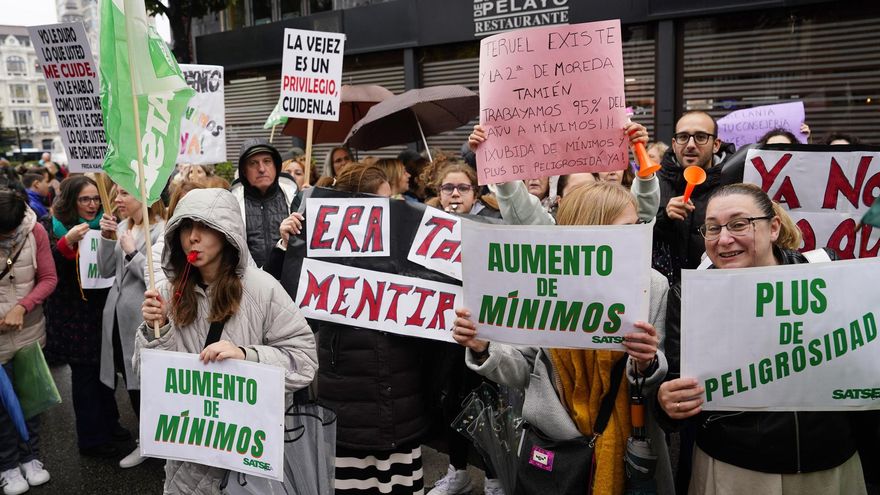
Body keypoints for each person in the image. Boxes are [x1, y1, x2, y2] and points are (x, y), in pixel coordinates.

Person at [452, 181, 673, 495]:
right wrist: (483, 347)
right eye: (625, 228)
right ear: (589, 231)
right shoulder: (544, 284)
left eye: (638, 226)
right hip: (555, 443)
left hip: (628, 444)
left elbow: (656, 380)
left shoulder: (653, 285)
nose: (637, 236)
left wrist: (646, 363)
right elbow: (521, 370)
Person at [657, 183, 866, 495]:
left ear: (773, 228)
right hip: (734, 468)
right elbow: (676, 382)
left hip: (829, 464)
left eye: (739, 224)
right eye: (712, 228)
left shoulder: (826, 275)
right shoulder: (688, 296)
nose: (724, 239)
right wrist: (667, 402)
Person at [137, 188, 317, 495]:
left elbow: (304, 361)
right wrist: (160, 329)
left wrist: (246, 357)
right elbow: (147, 377)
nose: (192, 237)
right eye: (185, 228)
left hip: (248, 462)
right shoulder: (166, 293)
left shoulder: (262, 289)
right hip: (187, 461)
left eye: (204, 227)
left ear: (228, 233)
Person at [41, 177, 129, 459]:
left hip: (100, 312)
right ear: (70, 201)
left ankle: (110, 424)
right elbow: (47, 271)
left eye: (95, 199)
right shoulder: (51, 229)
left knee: (105, 373)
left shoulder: (107, 225)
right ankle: (92, 439)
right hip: (70, 316)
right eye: (84, 199)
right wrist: (67, 243)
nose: (92, 205)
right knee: (85, 378)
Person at [97, 186, 166, 469]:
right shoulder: (123, 226)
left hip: (143, 321)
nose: (117, 199)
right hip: (115, 319)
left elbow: (157, 278)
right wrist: (106, 238)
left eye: (124, 193)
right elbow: (104, 270)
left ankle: (160, 444)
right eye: (116, 193)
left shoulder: (161, 230)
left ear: (144, 195)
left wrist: (132, 252)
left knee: (149, 385)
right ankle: (145, 441)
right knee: (131, 382)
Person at [0, 190, 57, 495]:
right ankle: (7, 466)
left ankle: (31, 457)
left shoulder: (35, 231)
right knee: (2, 407)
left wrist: (23, 306)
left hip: (29, 333)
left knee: (31, 401)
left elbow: (48, 278)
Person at [654, 111, 735, 285]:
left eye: (700, 137)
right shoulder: (655, 181)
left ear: (716, 145)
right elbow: (639, 236)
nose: (690, 144)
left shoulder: (735, 181)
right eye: (683, 137)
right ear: (674, 144)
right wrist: (665, 217)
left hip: (719, 286)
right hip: (668, 292)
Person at [229, 138, 298, 268]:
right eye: (253, 163)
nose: (261, 169)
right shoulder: (232, 204)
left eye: (267, 161)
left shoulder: (293, 198)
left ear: (276, 166)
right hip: (247, 283)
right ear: (244, 171)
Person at [431, 161, 501, 218]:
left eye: (463, 188)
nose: (455, 194)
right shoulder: (427, 219)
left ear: (474, 196)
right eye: (448, 188)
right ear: (440, 196)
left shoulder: (493, 221)